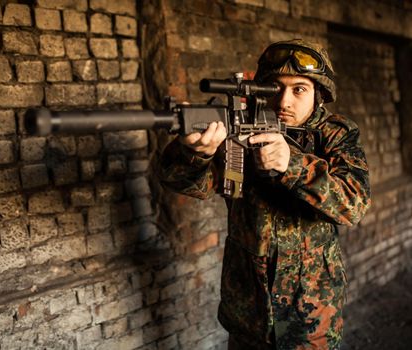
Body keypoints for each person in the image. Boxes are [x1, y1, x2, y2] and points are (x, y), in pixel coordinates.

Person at [157, 39, 371, 349]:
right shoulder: (241, 127)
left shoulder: (335, 133)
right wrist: (195, 154)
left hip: (309, 311)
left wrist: (293, 164)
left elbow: (355, 204)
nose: (284, 101)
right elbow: (192, 185)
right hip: (248, 307)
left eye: (299, 89)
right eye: (274, 88)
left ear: (320, 94)